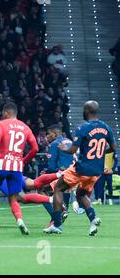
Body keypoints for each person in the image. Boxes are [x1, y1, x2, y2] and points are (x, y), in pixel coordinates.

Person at [44, 101, 118, 235]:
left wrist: (64, 148)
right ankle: (93, 219)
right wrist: (99, 154)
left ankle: (57, 225)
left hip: (82, 168)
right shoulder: (106, 127)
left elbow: (73, 150)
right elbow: (113, 148)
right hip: (96, 170)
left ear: (87, 111)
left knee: (58, 189)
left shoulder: (82, 128)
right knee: (81, 194)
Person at [0, 102, 39, 235]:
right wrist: (23, 161)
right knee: (14, 197)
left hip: (2, 164)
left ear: (5, 113)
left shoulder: (1, 124)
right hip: (16, 167)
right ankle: (20, 221)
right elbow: (35, 148)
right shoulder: (25, 127)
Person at [45, 124, 74, 216]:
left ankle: (56, 214)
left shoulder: (55, 144)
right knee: (64, 189)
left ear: (55, 134)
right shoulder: (69, 141)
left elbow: (52, 165)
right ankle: (65, 209)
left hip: (61, 171)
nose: (47, 136)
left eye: (48, 134)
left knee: (42, 190)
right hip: (73, 171)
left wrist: (46, 172)